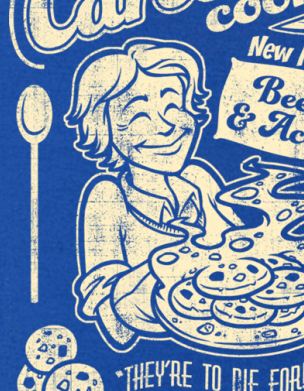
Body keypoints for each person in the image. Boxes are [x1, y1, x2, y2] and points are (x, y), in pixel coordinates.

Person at [66, 38, 242, 350]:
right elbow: (117, 331)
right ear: (103, 128)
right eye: (137, 115)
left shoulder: (199, 179)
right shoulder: (108, 197)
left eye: (174, 105)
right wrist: (183, 261)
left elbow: (247, 260)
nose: (165, 126)